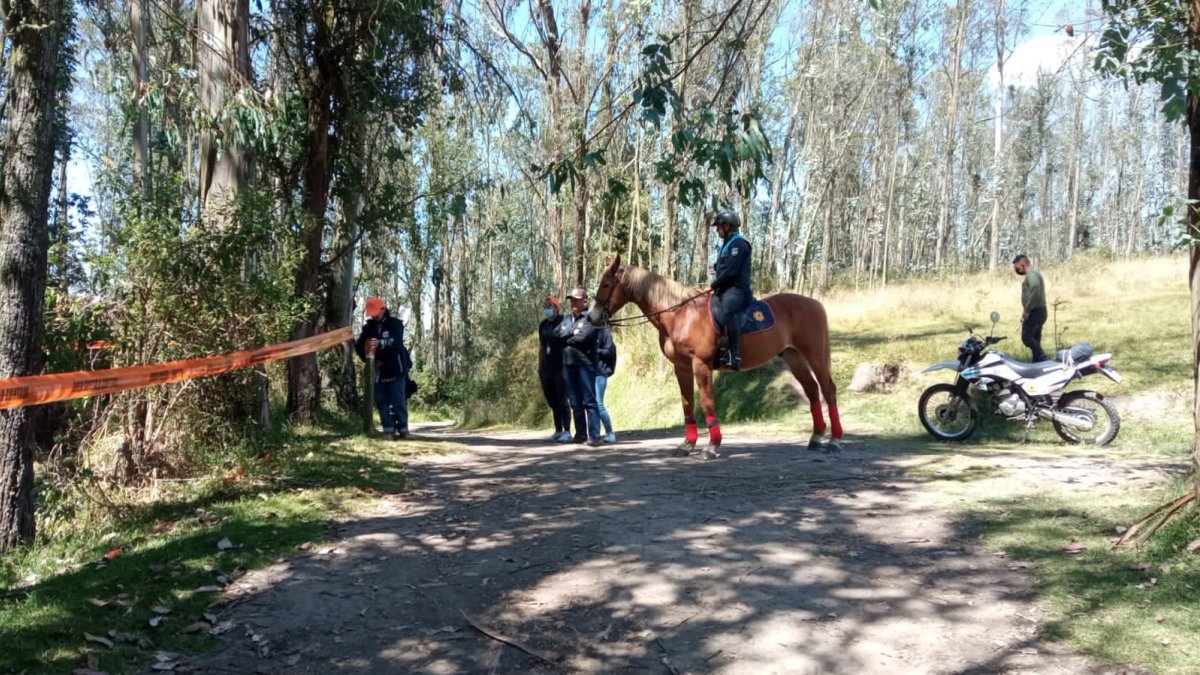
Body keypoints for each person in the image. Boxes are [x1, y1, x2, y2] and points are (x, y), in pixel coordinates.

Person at [354, 297, 412, 440]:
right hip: (378, 370)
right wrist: (371, 362)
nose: (374, 315)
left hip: (396, 368)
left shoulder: (395, 324)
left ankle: (403, 429)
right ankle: (388, 430)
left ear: (383, 309)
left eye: (376, 312)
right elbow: (359, 347)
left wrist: (380, 343)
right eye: (371, 313)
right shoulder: (368, 328)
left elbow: (397, 342)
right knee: (381, 400)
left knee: (398, 400)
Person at [710, 208, 752, 370]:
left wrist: (715, 283)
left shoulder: (739, 243)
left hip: (737, 290)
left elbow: (732, 272)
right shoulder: (727, 245)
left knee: (728, 309)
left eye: (719, 226)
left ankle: (735, 355)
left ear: (728, 226)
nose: (717, 230)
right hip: (725, 288)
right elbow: (724, 266)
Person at [562, 287, 603, 447]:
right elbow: (558, 335)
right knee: (574, 402)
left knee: (589, 401)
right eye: (571, 300)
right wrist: (572, 333)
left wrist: (568, 335)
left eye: (576, 299)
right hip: (568, 364)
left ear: (584, 301)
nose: (573, 303)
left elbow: (583, 338)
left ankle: (594, 436)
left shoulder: (592, 317)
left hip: (585, 364)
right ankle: (580, 435)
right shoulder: (567, 318)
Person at [538, 296, 572, 442]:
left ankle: (567, 430)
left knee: (563, 400)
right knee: (552, 400)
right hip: (547, 368)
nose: (547, 309)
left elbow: (569, 339)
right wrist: (539, 367)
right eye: (545, 306)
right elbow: (541, 346)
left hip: (561, 366)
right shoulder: (543, 325)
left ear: (556, 308)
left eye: (550, 306)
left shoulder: (564, 321)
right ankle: (557, 430)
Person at [1013, 254, 1048, 363]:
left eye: (1017, 267)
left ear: (1022, 264)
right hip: (1041, 310)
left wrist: (1027, 310)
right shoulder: (1036, 274)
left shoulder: (1031, 276)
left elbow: (1035, 289)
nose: (1017, 270)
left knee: (1027, 338)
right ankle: (1038, 363)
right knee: (1036, 339)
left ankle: (1042, 356)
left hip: (1035, 312)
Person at [594, 325, 618, 444]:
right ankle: (595, 434)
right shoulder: (587, 331)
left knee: (599, 404)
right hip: (588, 372)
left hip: (600, 372)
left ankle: (610, 433)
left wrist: (594, 351)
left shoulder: (604, 332)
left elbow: (609, 351)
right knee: (591, 405)